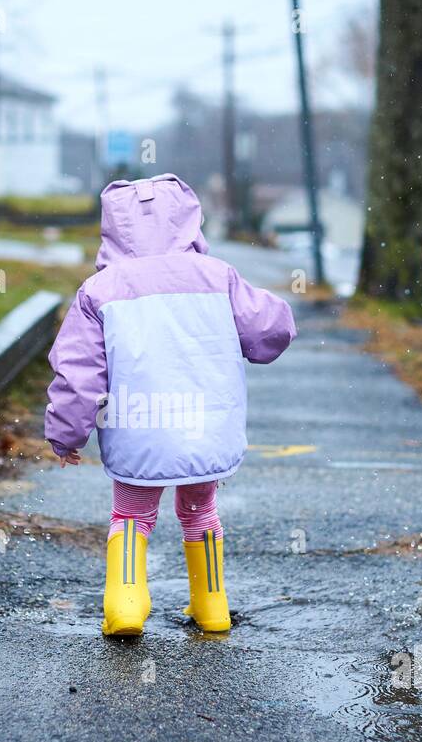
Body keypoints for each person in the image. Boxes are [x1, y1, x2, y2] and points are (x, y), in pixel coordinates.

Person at [45, 173, 296, 636]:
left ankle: (124, 606)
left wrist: (66, 434)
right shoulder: (218, 277)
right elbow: (268, 332)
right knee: (200, 511)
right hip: (206, 429)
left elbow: (79, 374)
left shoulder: (99, 292)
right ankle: (212, 606)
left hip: (139, 427)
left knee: (132, 515)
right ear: (187, 220)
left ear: (113, 228)